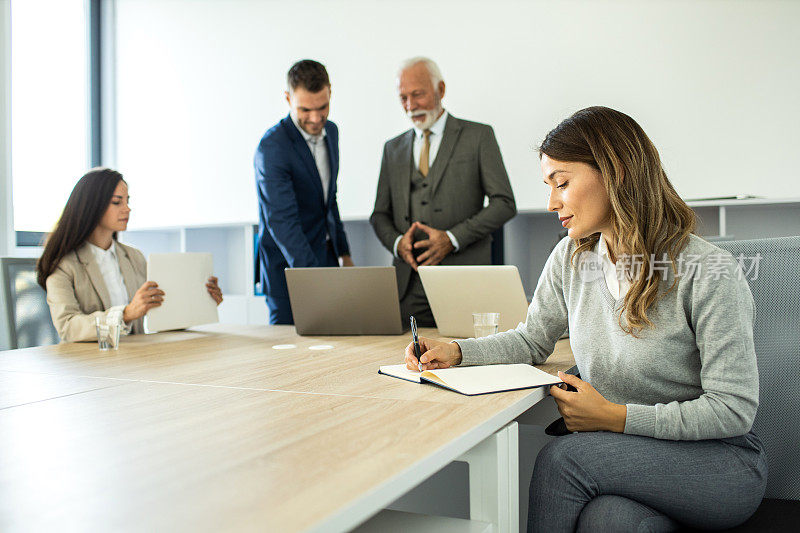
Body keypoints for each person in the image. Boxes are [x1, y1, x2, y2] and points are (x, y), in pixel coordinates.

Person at [404, 107, 767, 531]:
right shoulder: (572, 260)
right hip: (627, 456)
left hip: (718, 464)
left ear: (617, 173)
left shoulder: (707, 272)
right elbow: (531, 341)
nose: (551, 201)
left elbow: (733, 409)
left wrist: (616, 417)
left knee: (564, 458)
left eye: (562, 182)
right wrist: (457, 352)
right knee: (610, 521)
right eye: (548, 185)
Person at [370, 57, 516, 326]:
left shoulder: (478, 136)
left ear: (441, 89)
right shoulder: (392, 149)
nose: (410, 106)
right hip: (408, 287)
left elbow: (504, 203)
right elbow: (379, 215)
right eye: (403, 97)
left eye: (418, 94)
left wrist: (452, 238)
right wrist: (397, 243)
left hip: (466, 282)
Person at [37, 168, 223, 342]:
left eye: (128, 201)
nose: (127, 209)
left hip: (133, 358)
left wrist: (202, 300)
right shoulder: (63, 264)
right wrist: (125, 314)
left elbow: (162, 316)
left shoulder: (134, 257)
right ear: (92, 206)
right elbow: (68, 327)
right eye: (117, 202)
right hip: (87, 365)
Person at [254, 59, 353, 325]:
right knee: (289, 358)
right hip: (287, 269)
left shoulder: (331, 132)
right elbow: (282, 222)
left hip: (326, 260)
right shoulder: (272, 147)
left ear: (330, 92)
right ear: (288, 98)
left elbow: (329, 200)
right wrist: (315, 280)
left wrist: (344, 254)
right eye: (305, 109)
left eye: (323, 108)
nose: (316, 118)